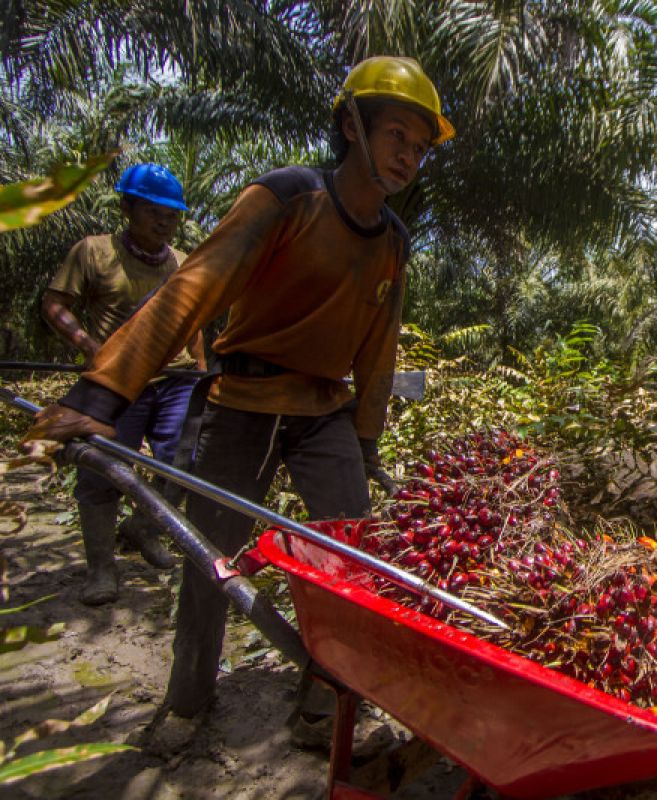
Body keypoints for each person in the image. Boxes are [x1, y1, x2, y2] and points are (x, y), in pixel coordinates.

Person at [24, 56, 453, 730]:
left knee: (351, 561)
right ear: (351, 126)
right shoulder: (286, 197)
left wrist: (366, 442)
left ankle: (322, 702)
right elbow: (191, 291)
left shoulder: (393, 243)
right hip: (242, 403)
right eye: (398, 135)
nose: (409, 156)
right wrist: (101, 396)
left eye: (421, 147)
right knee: (211, 560)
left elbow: (378, 350)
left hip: (323, 414)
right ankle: (187, 703)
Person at [41, 163, 206, 605]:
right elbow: (55, 304)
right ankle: (101, 569)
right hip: (118, 380)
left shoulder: (182, 263)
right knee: (102, 468)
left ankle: (145, 528)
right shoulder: (94, 252)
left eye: (172, 215)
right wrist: (87, 345)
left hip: (177, 379)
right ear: (128, 208)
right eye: (154, 212)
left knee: (184, 463)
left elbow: (194, 323)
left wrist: (204, 372)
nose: (164, 223)